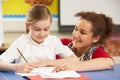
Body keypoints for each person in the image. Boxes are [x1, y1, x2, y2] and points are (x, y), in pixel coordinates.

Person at [0, 4, 78, 73]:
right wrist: (16, 67)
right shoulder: (22, 42)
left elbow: (74, 59)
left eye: (46, 29)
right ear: (28, 26)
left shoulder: (53, 41)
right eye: (37, 29)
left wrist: (46, 62)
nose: (42, 34)